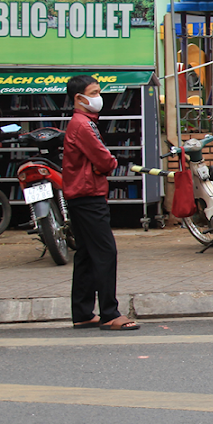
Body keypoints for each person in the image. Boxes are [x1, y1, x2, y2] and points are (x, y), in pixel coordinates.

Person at [64, 74, 138, 331]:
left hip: (80, 195)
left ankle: (83, 312)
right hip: (88, 195)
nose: (98, 98)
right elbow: (106, 161)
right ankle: (109, 313)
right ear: (79, 98)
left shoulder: (81, 123)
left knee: (85, 254)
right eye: (94, 93)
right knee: (105, 253)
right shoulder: (83, 125)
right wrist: (110, 162)